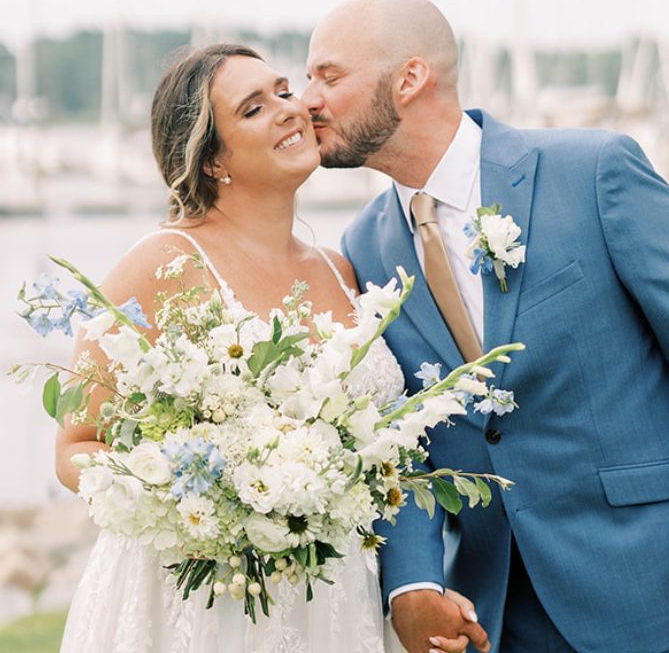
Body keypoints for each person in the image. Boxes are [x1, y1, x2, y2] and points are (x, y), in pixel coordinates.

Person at [303, 0, 669, 653]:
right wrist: (414, 587)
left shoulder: (595, 171)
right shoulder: (364, 246)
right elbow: (399, 439)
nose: (306, 98)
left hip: (653, 588)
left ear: (410, 77)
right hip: (494, 612)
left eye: (328, 75)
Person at [55, 43, 417, 652]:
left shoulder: (341, 271)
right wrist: (199, 498)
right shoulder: (159, 265)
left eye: (282, 91)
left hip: (330, 593)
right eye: (253, 109)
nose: (288, 109)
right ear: (211, 158)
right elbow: (75, 446)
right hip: (201, 598)